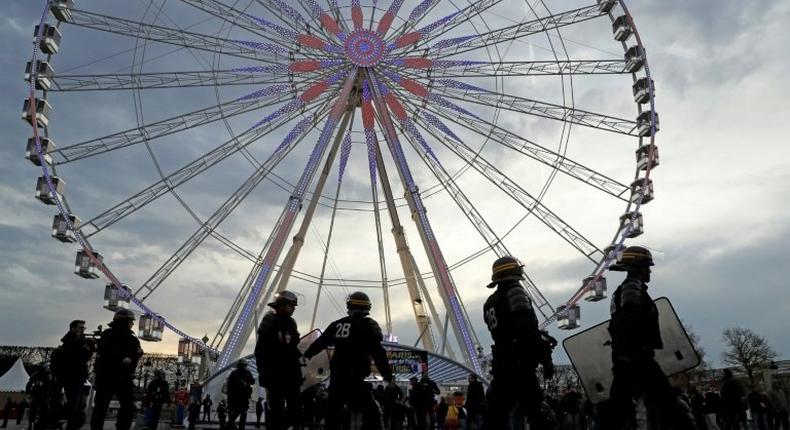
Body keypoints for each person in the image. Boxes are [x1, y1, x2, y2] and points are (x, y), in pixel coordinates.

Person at [601, 246, 697, 430]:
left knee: (617, 410)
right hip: (638, 358)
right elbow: (626, 322)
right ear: (636, 267)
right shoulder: (632, 288)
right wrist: (627, 354)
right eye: (646, 266)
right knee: (672, 406)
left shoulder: (626, 290)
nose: (649, 270)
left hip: (630, 358)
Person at [481, 256, 555, 429]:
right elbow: (528, 331)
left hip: (501, 364)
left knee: (494, 418)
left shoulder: (489, 302)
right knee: (540, 416)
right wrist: (546, 359)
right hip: (520, 365)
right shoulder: (515, 293)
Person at [303, 291, 394, 430]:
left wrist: (307, 354)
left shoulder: (337, 324)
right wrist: (387, 375)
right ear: (367, 307)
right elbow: (378, 354)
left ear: (350, 305)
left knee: (333, 415)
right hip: (355, 379)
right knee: (372, 413)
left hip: (337, 379)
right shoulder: (369, 326)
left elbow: (320, 343)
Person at [254, 290, 302, 430]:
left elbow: (293, 349)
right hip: (275, 375)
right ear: (281, 305)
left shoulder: (292, 323)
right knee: (276, 412)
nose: (294, 308)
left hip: (291, 374)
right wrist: (263, 373)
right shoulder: (270, 321)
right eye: (291, 305)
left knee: (296, 411)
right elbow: (260, 350)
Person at [90, 309, 144, 430]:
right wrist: (123, 358)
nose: (132, 324)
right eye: (130, 321)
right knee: (102, 407)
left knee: (127, 406)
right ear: (124, 321)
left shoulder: (127, 336)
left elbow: (138, 350)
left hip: (120, 376)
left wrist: (133, 355)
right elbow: (107, 350)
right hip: (108, 375)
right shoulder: (109, 335)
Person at [54, 320, 96, 430]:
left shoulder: (77, 340)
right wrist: (88, 346)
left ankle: (67, 423)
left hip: (77, 376)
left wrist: (90, 347)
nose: (82, 330)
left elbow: (85, 357)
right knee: (75, 404)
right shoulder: (70, 341)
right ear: (73, 329)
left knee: (77, 404)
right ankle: (67, 423)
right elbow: (80, 356)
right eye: (80, 328)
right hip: (72, 376)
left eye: (83, 328)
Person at [226, 360, 254, 430]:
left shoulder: (234, 373)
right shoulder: (245, 373)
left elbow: (229, 387)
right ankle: (236, 426)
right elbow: (252, 381)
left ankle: (230, 424)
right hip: (241, 397)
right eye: (245, 365)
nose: (245, 367)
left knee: (238, 412)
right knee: (242, 413)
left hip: (236, 397)